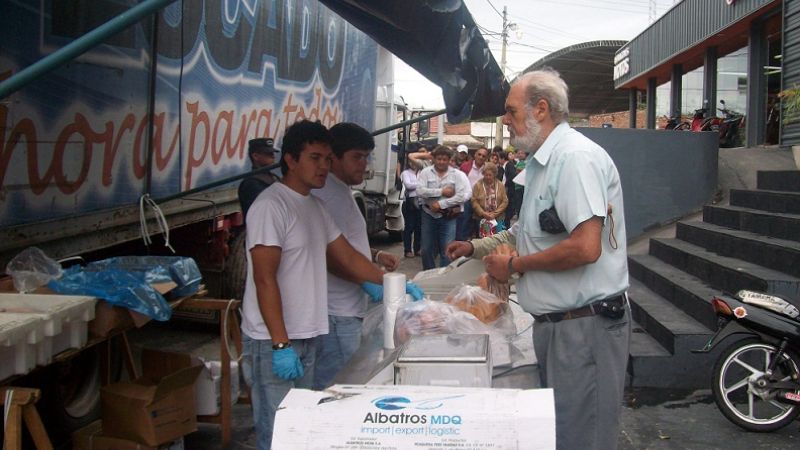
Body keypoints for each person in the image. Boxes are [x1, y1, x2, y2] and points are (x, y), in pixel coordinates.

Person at [446, 69, 629, 450]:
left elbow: (585, 247)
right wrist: (475, 248)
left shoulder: (575, 158)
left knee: (583, 438)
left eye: (511, 111)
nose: (505, 121)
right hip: (560, 327)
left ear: (541, 109)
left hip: (584, 328)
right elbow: (525, 232)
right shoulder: (543, 164)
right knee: (562, 435)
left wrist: (513, 267)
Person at [240, 120, 410, 449]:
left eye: (327, 158)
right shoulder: (270, 206)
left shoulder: (315, 207)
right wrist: (279, 344)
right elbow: (264, 278)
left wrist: (392, 282)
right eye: (315, 158)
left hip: (309, 335)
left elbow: (348, 258)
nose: (323, 167)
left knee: (300, 429)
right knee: (277, 433)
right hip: (275, 341)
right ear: (290, 159)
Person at [311, 122, 403, 391]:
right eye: (356, 157)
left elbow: (346, 243)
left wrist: (375, 254)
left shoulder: (342, 191)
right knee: (338, 388)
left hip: (350, 310)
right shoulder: (325, 193)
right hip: (336, 313)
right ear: (334, 157)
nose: (364, 164)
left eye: (367, 156)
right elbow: (330, 256)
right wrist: (371, 280)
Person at [417, 145, 468, 270]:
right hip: (428, 214)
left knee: (447, 248)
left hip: (448, 216)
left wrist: (441, 204)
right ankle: (428, 275)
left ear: (449, 160)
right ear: (433, 159)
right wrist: (441, 192)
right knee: (426, 248)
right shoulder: (425, 172)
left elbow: (461, 196)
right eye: (439, 159)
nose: (441, 162)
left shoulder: (457, 175)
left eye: (444, 159)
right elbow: (420, 191)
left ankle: (444, 276)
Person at [238, 138, 279, 217]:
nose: (273, 156)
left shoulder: (274, 178)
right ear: (255, 156)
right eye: (268, 153)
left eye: (273, 153)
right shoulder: (251, 183)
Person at [458, 146, 489, 240]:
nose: (481, 157)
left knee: (481, 225)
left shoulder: (488, 169)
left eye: (483, 156)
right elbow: (459, 183)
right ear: (475, 155)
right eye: (479, 154)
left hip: (481, 201)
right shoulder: (465, 166)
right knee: (464, 223)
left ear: (486, 158)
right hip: (467, 200)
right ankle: (461, 244)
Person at [471, 162, 508, 236]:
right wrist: (483, 213)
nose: (488, 177)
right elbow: (474, 201)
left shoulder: (500, 185)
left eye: (490, 175)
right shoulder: (478, 185)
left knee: (497, 239)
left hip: (497, 218)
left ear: (494, 175)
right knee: (484, 239)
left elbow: (505, 201)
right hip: (482, 218)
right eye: (486, 175)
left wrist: (495, 213)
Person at [401, 156, 423, 258]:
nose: (413, 164)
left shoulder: (422, 173)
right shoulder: (405, 173)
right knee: (409, 227)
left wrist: (418, 185)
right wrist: (421, 184)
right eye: (411, 162)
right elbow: (408, 185)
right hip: (410, 202)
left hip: (421, 201)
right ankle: (407, 250)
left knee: (419, 227)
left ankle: (417, 249)